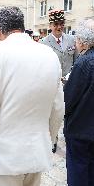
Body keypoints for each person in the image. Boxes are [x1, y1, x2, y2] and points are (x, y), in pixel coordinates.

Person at [0, 6, 64, 186]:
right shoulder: (49, 55)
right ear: (21, 27)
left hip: (6, 158)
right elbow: (58, 108)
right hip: (37, 152)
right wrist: (47, 139)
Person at [64, 19, 94, 186]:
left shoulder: (84, 62)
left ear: (82, 41)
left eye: (76, 39)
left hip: (79, 127)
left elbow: (68, 99)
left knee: (77, 168)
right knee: (91, 163)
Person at [40, 9, 77, 153]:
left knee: (69, 113)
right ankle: (53, 140)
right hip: (52, 85)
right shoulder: (44, 43)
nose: (59, 27)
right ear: (50, 25)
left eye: (61, 23)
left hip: (70, 84)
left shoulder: (71, 40)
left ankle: (69, 137)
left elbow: (76, 61)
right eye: (56, 24)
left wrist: (70, 75)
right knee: (53, 115)